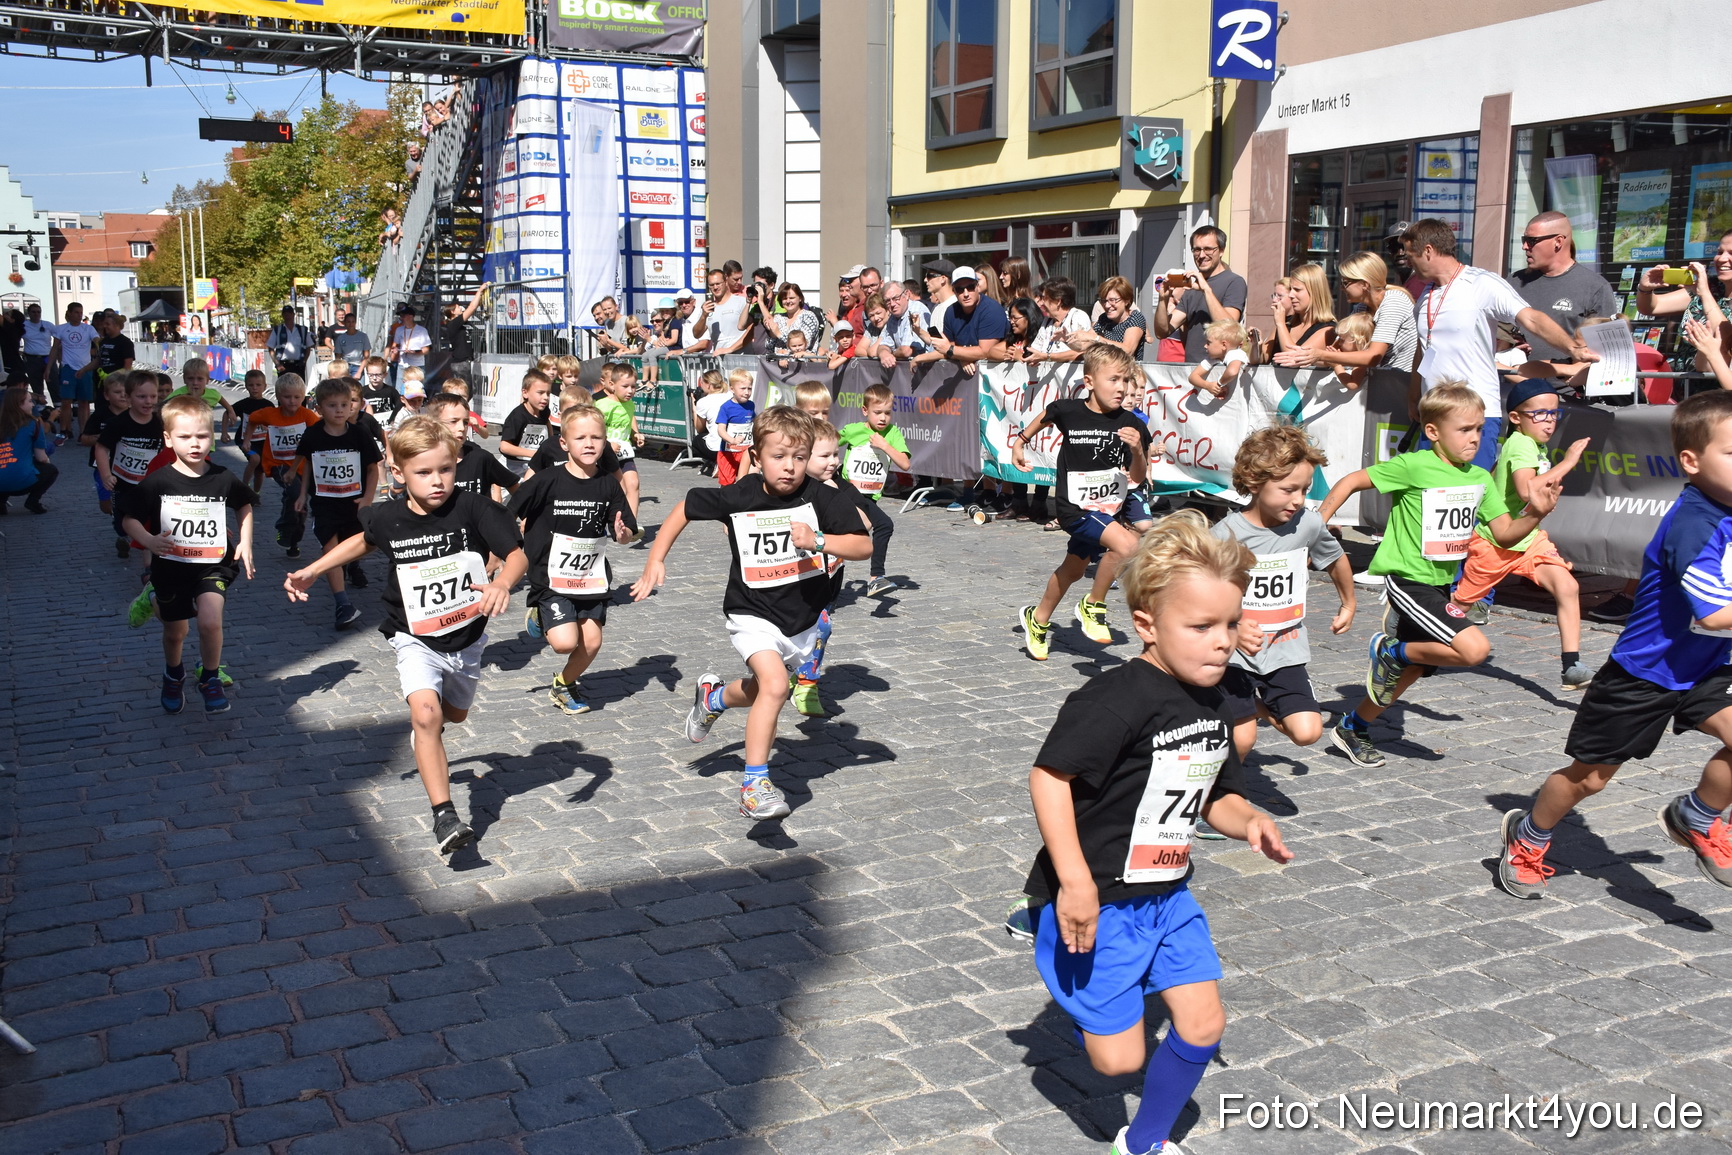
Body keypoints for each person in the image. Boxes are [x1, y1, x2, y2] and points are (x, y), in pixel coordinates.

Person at [1022, 510, 1292, 1155]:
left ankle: (1142, 1144)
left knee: (1202, 1025)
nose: (1222, 642)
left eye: (1230, 624)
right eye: (1201, 627)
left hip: (1168, 893)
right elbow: (1049, 778)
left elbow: (1217, 797)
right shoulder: (1115, 698)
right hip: (1100, 896)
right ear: (1147, 625)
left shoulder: (1220, 700)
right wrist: (1075, 883)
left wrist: (1250, 821)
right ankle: (1048, 926)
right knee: (1118, 1063)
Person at [1495, 390, 1732, 899]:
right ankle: (1528, 834)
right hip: (1644, 673)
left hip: (1709, 666)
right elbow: (1712, 614)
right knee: (1589, 779)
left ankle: (1698, 815)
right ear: (1691, 462)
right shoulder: (1695, 525)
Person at [286, 416, 526, 857]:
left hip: (466, 637)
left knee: (454, 716)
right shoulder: (388, 517)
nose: (437, 480)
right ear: (398, 473)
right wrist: (315, 570)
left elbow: (515, 554)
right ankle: (445, 815)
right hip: (412, 635)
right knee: (426, 714)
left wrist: (503, 583)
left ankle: (430, 732)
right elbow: (363, 540)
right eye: (424, 472)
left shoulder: (473, 508)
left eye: (446, 469)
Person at [630, 406, 873, 821]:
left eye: (799, 457)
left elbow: (863, 545)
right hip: (751, 612)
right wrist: (655, 559)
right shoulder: (740, 494)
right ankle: (754, 785)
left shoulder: (822, 497)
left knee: (765, 690)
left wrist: (818, 540)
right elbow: (686, 506)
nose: (790, 466)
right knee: (776, 685)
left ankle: (714, 698)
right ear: (757, 457)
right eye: (779, 456)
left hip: (801, 620)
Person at [1317, 382, 1564, 769]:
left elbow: (1504, 533)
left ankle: (1353, 726)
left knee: (1413, 667)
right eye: (1464, 430)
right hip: (1407, 580)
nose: (1474, 438)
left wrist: (1536, 514)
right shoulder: (1414, 466)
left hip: (1440, 583)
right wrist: (1316, 526)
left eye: (1479, 428)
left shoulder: (1480, 478)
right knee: (1474, 650)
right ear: (1432, 432)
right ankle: (1390, 650)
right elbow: (1352, 481)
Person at [1402, 219, 1594, 469]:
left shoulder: (1482, 283)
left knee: (1471, 489)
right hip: (1434, 413)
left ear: (1428, 250)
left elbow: (1531, 319)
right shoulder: (1425, 296)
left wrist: (1572, 348)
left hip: (1474, 414)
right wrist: (1413, 397)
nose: (1408, 262)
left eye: (1410, 255)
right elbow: (1424, 349)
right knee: (1430, 489)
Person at [1212, 427, 1355, 760]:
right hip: (1234, 654)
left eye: (1305, 490)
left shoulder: (1308, 524)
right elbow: (1199, 594)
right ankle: (1223, 789)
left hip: (1284, 649)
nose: (1299, 500)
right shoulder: (1224, 535)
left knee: (1307, 732)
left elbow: (1335, 558)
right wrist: (1232, 625)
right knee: (1242, 741)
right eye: (1289, 490)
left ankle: (1256, 705)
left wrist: (1348, 603)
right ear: (1253, 483)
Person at [1449, 378, 1594, 687]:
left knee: (1567, 586)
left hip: (1529, 539)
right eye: (1539, 414)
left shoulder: (1532, 444)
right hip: (1496, 542)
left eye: (1554, 413)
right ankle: (1412, 632)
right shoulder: (1521, 443)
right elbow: (1528, 490)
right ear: (1516, 417)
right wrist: (1568, 462)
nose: (1549, 421)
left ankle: (1572, 666)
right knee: (1460, 606)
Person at [119, 394, 256, 714]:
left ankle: (209, 678)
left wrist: (246, 541)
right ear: (168, 439)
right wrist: (149, 541)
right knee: (175, 631)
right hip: (172, 567)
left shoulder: (222, 476)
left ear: (212, 437)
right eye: (184, 437)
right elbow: (129, 519)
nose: (195, 443)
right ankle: (173, 673)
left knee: (210, 621)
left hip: (212, 565)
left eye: (202, 436)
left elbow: (244, 504)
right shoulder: (158, 481)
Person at [1014, 345, 1153, 660]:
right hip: (1075, 508)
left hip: (1107, 509)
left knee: (1072, 570)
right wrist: (1020, 443)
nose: (1121, 388)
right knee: (1128, 545)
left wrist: (1137, 452)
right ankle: (1093, 605)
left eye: (1126, 380)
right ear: (1089, 381)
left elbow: (1137, 477)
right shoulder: (1069, 411)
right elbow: (1047, 415)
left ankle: (1037, 620)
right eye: (1113, 379)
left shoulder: (1132, 423)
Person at [511, 404, 639, 715]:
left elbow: (626, 531)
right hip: (550, 574)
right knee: (565, 643)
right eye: (580, 438)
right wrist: (504, 548)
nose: (589, 444)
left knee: (592, 643)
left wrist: (623, 534)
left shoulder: (608, 483)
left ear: (605, 442)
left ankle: (564, 684)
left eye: (597, 437)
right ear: (564, 443)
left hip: (589, 576)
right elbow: (508, 511)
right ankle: (541, 612)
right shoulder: (547, 480)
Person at [294, 378, 383, 630]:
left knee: (357, 544)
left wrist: (367, 499)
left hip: (353, 502)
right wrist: (302, 494)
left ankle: (352, 564)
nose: (340, 410)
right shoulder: (313, 434)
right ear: (320, 408)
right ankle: (342, 604)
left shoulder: (359, 433)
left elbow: (372, 468)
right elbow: (308, 464)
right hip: (324, 504)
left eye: (344, 404)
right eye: (332, 405)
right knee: (330, 549)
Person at [1274, 250, 1419, 379]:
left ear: (1364, 284)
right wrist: (1308, 356)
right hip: (1382, 384)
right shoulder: (1362, 307)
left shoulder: (1394, 301)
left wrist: (1320, 354)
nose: (1342, 288)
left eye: (1345, 283)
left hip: (1402, 384)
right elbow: (1336, 352)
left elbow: (1373, 357)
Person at [1507, 212, 1619, 361]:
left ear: (1558, 241)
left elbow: (1604, 351)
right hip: (1512, 375)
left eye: (1532, 241)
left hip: (1566, 376)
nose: (1524, 246)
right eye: (1524, 240)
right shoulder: (1514, 282)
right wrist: (1506, 345)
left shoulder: (1595, 287)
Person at [836, 383, 911, 598]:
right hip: (848, 491)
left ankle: (830, 575)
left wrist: (885, 446)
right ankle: (876, 577)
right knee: (884, 524)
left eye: (887, 413)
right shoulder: (854, 430)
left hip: (871, 495)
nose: (883, 418)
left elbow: (905, 464)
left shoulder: (892, 433)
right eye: (877, 412)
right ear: (865, 410)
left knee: (847, 536)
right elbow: (829, 442)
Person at [1635, 230, 1732, 373]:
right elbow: (1652, 307)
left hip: (1718, 384)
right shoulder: (1711, 287)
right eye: (1720, 252)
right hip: (1686, 383)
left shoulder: (1705, 289)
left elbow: (1725, 338)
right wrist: (1645, 288)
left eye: (1731, 253)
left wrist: (1704, 293)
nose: (1722, 258)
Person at [94, 369, 165, 560]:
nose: (148, 401)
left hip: (150, 484)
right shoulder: (118, 423)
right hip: (122, 484)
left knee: (149, 521)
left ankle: (148, 563)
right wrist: (106, 475)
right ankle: (125, 537)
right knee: (121, 523)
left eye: (153, 396)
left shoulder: (160, 422)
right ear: (128, 397)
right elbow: (101, 448)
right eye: (141, 397)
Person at [1151, 226, 1249, 363]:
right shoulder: (1191, 288)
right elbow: (1162, 332)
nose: (1202, 255)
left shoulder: (1234, 282)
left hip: (1220, 369)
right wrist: (1163, 300)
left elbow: (1229, 328)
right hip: (1191, 368)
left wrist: (1206, 290)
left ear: (1221, 250)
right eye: (1197, 249)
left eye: (1208, 249)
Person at [252, 374, 317, 557]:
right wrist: (247, 439)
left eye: (297, 397)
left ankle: (293, 542)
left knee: (302, 507)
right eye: (287, 397)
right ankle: (283, 527)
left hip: (302, 468)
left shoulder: (308, 416)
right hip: (278, 464)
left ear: (303, 396)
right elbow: (252, 420)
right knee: (295, 493)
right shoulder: (269, 414)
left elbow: (319, 434)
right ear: (278, 396)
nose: (292, 401)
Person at [426, 392, 517, 502]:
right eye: (453, 421)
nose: (462, 428)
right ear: (432, 424)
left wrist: (507, 512)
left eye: (465, 422)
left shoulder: (479, 457)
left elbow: (515, 488)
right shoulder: (421, 460)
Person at [926, 266, 1008, 370]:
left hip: (999, 373)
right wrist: (962, 357)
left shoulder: (991, 310)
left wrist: (952, 350)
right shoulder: (951, 311)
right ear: (954, 291)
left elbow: (985, 351)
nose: (966, 294)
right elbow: (949, 346)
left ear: (977, 287)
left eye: (970, 287)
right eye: (960, 289)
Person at [594, 360, 645, 522]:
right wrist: (607, 444)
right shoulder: (602, 405)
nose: (630, 391)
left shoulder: (630, 405)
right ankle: (606, 521)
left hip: (624, 452)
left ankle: (631, 525)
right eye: (625, 386)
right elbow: (594, 429)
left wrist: (635, 435)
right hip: (605, 455)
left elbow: (627, 424)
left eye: (633, 386)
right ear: (612, 384)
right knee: (615, 489)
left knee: (634, 484)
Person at [0, 381, 56, 514]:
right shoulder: (33, 424)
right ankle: (33, 501)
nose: (33, 405)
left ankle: (1, 502)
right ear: (19, 404)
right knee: (51, 470)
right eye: (30, 401)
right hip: (22, 482)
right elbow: (41, 458)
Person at [47, 301, 97, 441]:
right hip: (68, 368)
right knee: (66, 401)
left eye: (81, 312)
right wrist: (48, 368)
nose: (79, 315)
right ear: (69, 313)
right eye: (76, 312)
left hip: (85, 368)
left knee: (84, 402)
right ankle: (64, 430)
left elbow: (97, 340)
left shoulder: (88, 329)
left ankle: (83, 432)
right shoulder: (61, 329)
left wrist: (101, 343)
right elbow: (54, 349)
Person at [83, 372, 132, 512]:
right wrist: (105, 437)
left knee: (129, 498)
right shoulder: (99, 414)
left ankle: (124, 519)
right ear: (106, 395)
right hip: (103, 465)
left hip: (128, 465)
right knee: (105, 505)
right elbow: (84, 439)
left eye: (126, 392)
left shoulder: (136, 413)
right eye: (117, 392)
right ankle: (116, 515)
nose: (123, 395)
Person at [1068, 277, 1148, 359]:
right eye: (1103, 301)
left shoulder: (1135, 318)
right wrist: (1067, 339)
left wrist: (1096, 338)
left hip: (1127, 367)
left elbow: (1128, 351)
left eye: (1112, 300)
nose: (1107, 305)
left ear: (1127, 300)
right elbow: (1083, 346)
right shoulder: (1104, 319)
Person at [1267, 263, 1336, 356]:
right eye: (1291, 289)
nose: (1291, 295)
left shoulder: (1328, 329)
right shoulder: (1287, 323)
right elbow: (1263, 358)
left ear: (1314, 292)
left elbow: (1294, 358)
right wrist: (1255, 343)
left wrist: (1280, 324)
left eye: (1297, 290)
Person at [498, 368, 554, 478]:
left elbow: (547, 422)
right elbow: (504, 446)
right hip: (512, 466)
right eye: (540, 393)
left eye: (548, 393)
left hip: (534, 464)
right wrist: (533, 453)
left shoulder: (544, 411)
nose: (545, 397)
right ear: (525, 393)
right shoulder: (517, 416)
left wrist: (551, 442)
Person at [167, 358, 237, 443]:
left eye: (200, 379)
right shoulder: (178, 395)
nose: (195, 383)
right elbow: (163, 408)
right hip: (184, 440)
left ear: (207, 380)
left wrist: (231, 412)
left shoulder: (212, 394)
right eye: (190, 378)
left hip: (206, 440)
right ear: (184, 379)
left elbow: (223, 402)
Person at [1026, 277, 1092, 367]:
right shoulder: (1047, 321)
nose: (1041, 303)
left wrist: (1047, 357)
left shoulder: (1078, 317)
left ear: (1058, 301)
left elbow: (1081, 351)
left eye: (1044, 298)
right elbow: (1036, 349)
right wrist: (1028, 357)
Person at [685, 269, 749, 355]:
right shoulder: (708, 307)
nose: (715, 287)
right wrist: (704, 315)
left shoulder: (741, 302)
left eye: (718, 284)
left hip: (741, 357)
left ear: (726, 282)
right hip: (719, 359)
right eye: (711, 285)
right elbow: (696, 334)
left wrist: (730, 349)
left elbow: (751, 333)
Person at [1186, 320, 1250, 400]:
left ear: (1224, 345)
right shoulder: (1212, 358)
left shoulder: (1236, 353)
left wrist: (1219, 384)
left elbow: (1232, 372)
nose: (1205, 346)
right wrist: (1208, 385)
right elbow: (1192, 377)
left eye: (1208, 343)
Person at [713, 368, 756, 486]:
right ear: (732, 389)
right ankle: (726, 497)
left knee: (747, 480)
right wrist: (732, 440)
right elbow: (721, 430)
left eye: (749, 388)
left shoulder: (751, 405)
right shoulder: (726, 407)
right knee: (727, 483)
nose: (747, 392)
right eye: (743, 388)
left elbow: (754, 422)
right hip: (729, 452)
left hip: (746, 450)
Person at [763, 283, 823, 355]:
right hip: (777, 360)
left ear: (800, 298)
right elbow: (769, 346)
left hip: (802, 361)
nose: (788, 301)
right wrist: (771, 332)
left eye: (791, 298)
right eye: (785, 298)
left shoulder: (808, 317)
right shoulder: (778, 318)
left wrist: (779, 334)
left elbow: (805, 344)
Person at [692, 369, 728, 475]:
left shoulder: (703, 402)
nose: (700, 386)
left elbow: (699, 428)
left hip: (716, 447)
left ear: (708, 385)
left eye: (701, 383)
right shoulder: (731, 396)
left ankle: (717, 462)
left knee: (697, 440)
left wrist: (694, 407)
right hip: (734, 442)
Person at [388, 305, 432, 392]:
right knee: (400, 389)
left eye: (403, 316)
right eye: (400, 316)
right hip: (402, 364)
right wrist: (395, 350)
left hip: (417, 365)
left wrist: (415, 352)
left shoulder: (421, 330)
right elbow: (395, 345)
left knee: (417, 389)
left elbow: (426, 350)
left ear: (411, 317)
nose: (401, 318)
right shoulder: (399, 330)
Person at [267, 306, 313, 382]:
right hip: (283, 364)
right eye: (285, 314)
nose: (287, 316)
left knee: (298, 386)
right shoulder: (277, 330)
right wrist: (277, 364)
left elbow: (308, 347)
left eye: (289, 313)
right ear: (282, 316)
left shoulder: (302, 330)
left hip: (298, 364)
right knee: (284, 386)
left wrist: (304, 361)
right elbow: (270, 348)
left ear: (293, 315)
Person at [20, 303, 55, 396]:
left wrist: (56, 352)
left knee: (53, 383)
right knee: (36, 386)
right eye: (34, 312)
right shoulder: (23, 325)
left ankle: (57, 404)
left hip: (47, 358)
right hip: (32, 359)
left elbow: (59, 339)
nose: (36, 314)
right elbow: (14, 339)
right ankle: (39, 403)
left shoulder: (48, 325)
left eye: (38, 312)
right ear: (29, 313)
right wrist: (19, 352)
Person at [922, 259, 958, 334]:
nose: (925, 280)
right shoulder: (936, 308)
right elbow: (935, 339)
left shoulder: (956, 307)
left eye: (929, 276)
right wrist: (917, 330)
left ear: (943, 279)